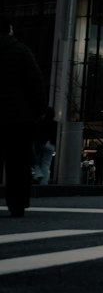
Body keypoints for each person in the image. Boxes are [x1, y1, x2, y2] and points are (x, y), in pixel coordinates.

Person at [0, 15, 47, 217]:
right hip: (17, 117)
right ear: (10, 29)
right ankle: (17, 204)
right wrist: (39, 110)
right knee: (18, 163)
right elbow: (35, 82)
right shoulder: (20, 50)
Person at [32, 105, 58, 185]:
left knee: (37, 162)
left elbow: (36, 134)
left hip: (41, 144)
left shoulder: (40, 123)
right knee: (46, 164)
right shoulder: (55, 124)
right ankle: (44, 182)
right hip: (50, 144)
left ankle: (38, 174)